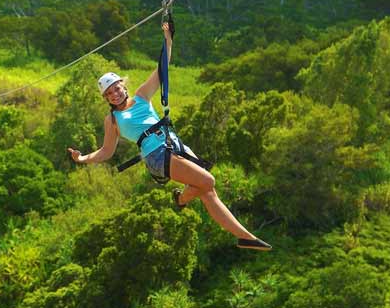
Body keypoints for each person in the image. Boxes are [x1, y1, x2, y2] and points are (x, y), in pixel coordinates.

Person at [67, 22, 271, 251]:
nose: (114, 94)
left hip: (173, 143)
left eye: (116, 88)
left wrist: (167, 37)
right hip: (156, 155)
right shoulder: (112, 120)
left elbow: (161, 69)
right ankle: (185, 201)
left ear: (123, 86)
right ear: (106, 98)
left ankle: (243, 237)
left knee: (206, 189)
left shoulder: (142, 96)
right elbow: (106, 152)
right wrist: (82, 159)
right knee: (208, 181)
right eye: (109, 93)